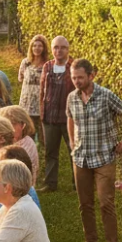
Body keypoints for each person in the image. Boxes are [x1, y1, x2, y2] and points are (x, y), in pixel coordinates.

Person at [66, 58, 122, 242]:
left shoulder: (106, 95)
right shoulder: (72, 97)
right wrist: (72, 143)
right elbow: (70, 118)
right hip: (81, 157)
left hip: (104, 156)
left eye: (80, 77)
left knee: (106, 202)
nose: (77, 81)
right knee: (84, 203)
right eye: (73, 78)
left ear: (91, 75)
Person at [38, 36, 72, 192]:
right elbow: (42, 91)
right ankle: (50, 183)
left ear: (68, 49)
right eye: (56, 47)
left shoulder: (73, 66)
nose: (59, 51)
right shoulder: (47, 66)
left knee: (74, 152)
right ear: (51, 49)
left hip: (69, 117)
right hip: (50, 116)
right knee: (50, 152)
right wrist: (42, 112)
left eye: (63, 47)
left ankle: (78, 183)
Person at [0, 105, 39, 185]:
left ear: (23, 125)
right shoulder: (9, 141)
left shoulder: (27, 145)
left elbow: (12, 173)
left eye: (12, 124)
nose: (9, 129)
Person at [17, 34, 48, 132]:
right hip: (27, 102)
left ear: (44, 48)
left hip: (41, 102)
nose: (37, 48)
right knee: (27, 131)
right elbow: (20, 79)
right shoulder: (25, 63)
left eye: (40, 46)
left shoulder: (47, 64)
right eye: (34, 46)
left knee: (42, 132)